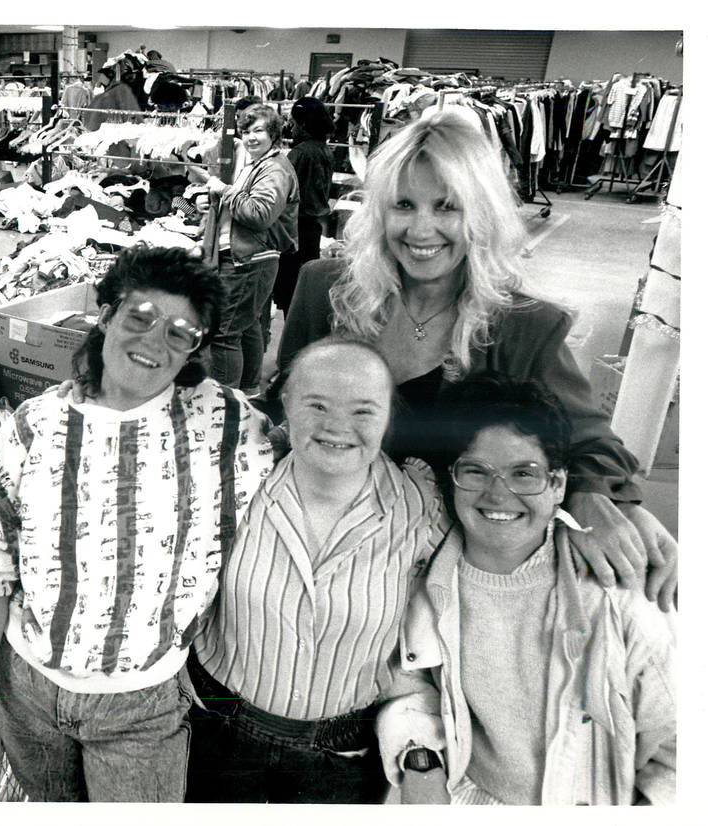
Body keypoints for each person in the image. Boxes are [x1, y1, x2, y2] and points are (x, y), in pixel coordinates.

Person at [275, 109, 676, 610]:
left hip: (443, 579)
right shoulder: (323, 290)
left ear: (481, 215)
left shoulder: (526, 325)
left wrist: (593, 496)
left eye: (447, 207)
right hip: (318, 559)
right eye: (404, 205)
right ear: (379, 212)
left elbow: (589, 441)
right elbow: (282, 406)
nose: (421, 230)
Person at [0, 246, 274, 802]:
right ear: (106, 315)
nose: (154, 343)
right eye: (140, 317)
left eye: (180, 333)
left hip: (143, 705)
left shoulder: (227, 426)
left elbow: (316, 444)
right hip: (28, 691)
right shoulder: (36, 426)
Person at [384, 373, 675, 804]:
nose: (499, 494)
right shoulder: (425, 585)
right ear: (452, 479)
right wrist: (419, 760)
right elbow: (410, 686)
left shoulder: (620, 599)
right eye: (476, 471)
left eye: (524, 473)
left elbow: (679, 751)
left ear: (558, 485)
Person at [186, 338, 441, 803]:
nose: (337, 426)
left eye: (363, 411)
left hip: (341, 763)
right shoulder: (236, 484)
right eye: (317, 404)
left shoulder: (421, 510)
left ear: (388, 415)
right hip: (216, 738)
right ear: (285, 403)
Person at [202, 103, 298, 394]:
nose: (251, 137)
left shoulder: (274, 169)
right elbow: (244, 205)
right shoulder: (258, 165)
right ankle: (248, 391)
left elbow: (259, 214)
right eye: (246, 131)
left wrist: (224, 191)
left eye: (258, 130)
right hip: (250, 256)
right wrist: (215, 203)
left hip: (249, 259)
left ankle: (226, 399)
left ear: (273, 134)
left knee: (224, 333)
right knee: (247, 326)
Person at [274, 96, 335, 319]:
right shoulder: (324, 150)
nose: (290, 126)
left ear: (305, 124)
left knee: (288, 289)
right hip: (313, 228)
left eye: (294, 122)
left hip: (294, 227)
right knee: (302, 289)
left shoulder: (299, 153)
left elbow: (283, 193)